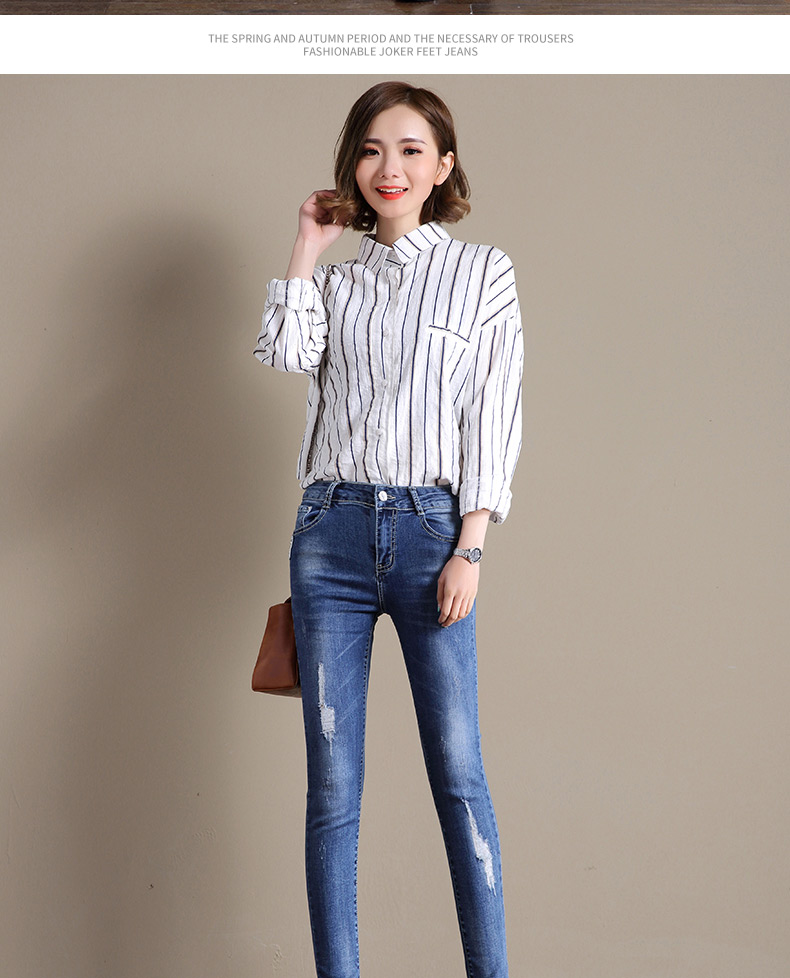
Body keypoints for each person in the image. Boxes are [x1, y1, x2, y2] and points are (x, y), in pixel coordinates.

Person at [254, 81, 523, 978]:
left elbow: (493, 415)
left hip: (429, 534)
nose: (389, 167)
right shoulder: (336, 282)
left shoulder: (483, 272)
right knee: (332, 789)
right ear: (353, 166)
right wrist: (305, 245)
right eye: (371, 150)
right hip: (328, 535)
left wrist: (470, 545)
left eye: (411, 149)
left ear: (443, 166)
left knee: (459, 774)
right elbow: (285, 354)